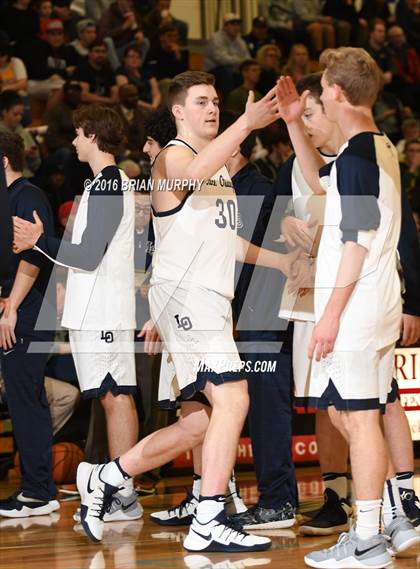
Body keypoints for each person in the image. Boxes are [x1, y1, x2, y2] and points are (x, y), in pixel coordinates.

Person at [64, 71, 300, 550]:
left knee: (201, 421)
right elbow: (187, 178)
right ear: (178, 112)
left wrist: (281, 260)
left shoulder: (215, 170)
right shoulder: (175, 156)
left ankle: (107, 476)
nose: (212, 108)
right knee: (234, 399)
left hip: (203, 300)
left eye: (216, 101)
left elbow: (223, 240)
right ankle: (209, 516)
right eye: (201, 102)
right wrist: (248, 124)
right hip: (186, 298)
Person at [275, 47, 411, 568]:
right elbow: (317, 185)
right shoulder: (374, 149)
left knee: (356, 419)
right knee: (356, 414)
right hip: (374, 304)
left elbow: (354, 241)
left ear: (334, 93)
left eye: (323, 88)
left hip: (355, 307)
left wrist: (329, 315)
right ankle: (390, 522)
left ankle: (371, 536)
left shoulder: (356, 156)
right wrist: (292, 125)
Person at [12, 105, 142, 524]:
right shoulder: (102, 183)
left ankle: (124, 492)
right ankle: (124, 490)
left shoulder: (108, 184)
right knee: (111, 395)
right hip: (96, 307)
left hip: (105, 309)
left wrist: (38, 240)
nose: (73, 142)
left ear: (93, 135)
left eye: (78, 134)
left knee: (116, 394)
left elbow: (88, 253)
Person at [0, 130, 58, 517]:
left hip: (31, 311)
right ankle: (38, 488)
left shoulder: (27, 195)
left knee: (26, 400)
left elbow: (33, 257)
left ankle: (38, 490)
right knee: (22, 399)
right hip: (14, 309)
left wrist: (11, 309)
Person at [203, 13, 250, 96]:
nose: (236, 27)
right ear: (225, 26)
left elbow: (247, 59)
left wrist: (243, 64)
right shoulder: (216, 38)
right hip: (213, 72)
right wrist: (240, 61)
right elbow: (221, 59)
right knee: (227, 71)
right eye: (233, 24)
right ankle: (228, 100)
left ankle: (244, 98)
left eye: (238, 24)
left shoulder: (240, 41)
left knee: (249, 71)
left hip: (233, 70)